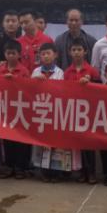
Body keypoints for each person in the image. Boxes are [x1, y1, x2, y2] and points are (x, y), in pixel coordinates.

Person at [64, 42, 101, 184]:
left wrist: (90, 83)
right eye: (74, 50)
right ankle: (81, 172)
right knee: (78, 143)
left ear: (85, 51)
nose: (76, 52)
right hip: (74, 111)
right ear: (69, 52)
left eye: (79, 49)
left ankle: (91, 172)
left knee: (89, 143)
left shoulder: (92, 71)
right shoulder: (67, 72)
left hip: (89, 112)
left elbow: (100, 89)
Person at [0, 39, 33, 179]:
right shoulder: (0, 70)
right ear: (4, 54)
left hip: (20, 110)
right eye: (8, 53)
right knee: (7, 139)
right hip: (6, 110)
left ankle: (20, 167)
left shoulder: (24, 71)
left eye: (13, 53)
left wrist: (15, 80)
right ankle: (9, 166)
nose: (11, 56)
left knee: (20, 141)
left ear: (19, 54)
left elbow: (28, 89)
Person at [31, 43, 68, 182]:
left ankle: (56, 172)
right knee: (41, 143)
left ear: (55, 55)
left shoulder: (60, 72)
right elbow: (29, 90)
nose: (46, 56)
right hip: (40, 112)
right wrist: (35, 82)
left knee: (55, 143)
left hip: (55, 112)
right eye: (43, 54)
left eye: (48, 53)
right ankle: (43, 171)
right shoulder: (36, 72)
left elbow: (62, 91)